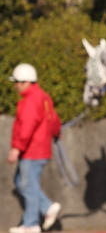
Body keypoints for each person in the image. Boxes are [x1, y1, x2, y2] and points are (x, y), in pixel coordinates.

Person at [7, 63, 62, 233]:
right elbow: (54, 121)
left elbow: (27, 126)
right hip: (40, 150)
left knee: (28, 187)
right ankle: (47, 208)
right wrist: (55, 133)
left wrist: (17, 148)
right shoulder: (43, 97)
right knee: (22, 183)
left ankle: (31, 224)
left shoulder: (30, 100)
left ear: (25, 81)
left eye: (17, 82)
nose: (15, 85)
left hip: (32, 151)